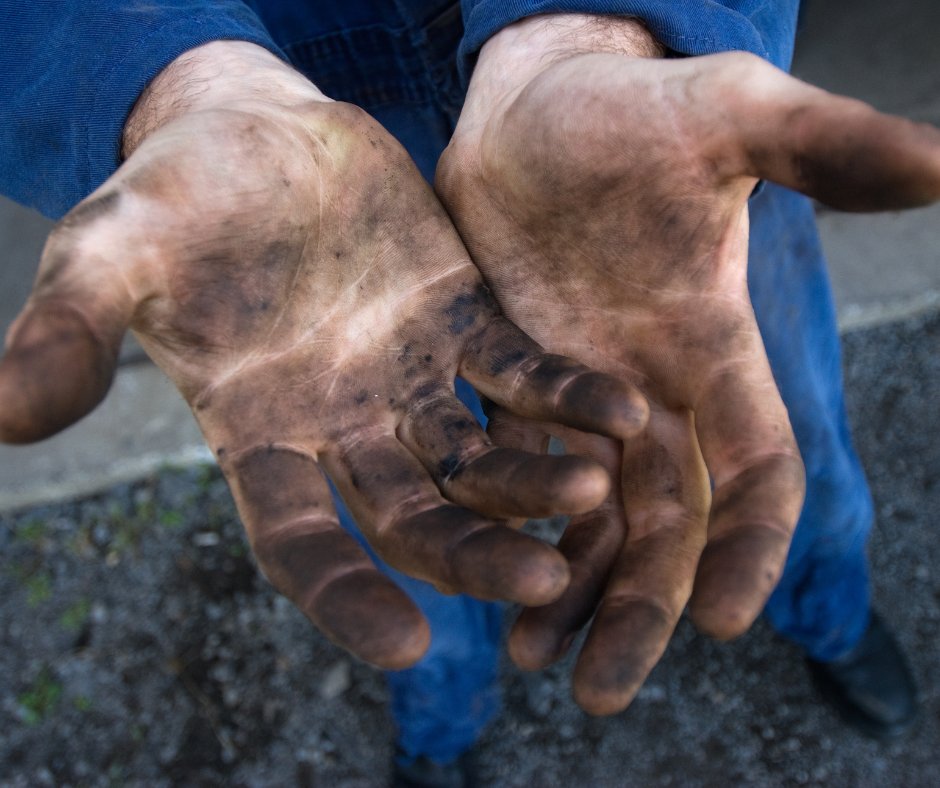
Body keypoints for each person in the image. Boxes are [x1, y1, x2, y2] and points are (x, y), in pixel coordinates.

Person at [1, 2, 936, 785]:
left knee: (765, 442)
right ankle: (442, 730)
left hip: (639, 135)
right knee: (401, 510)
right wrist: (173, 82)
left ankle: (827, 615)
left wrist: (595, 29)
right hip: (311, 150)